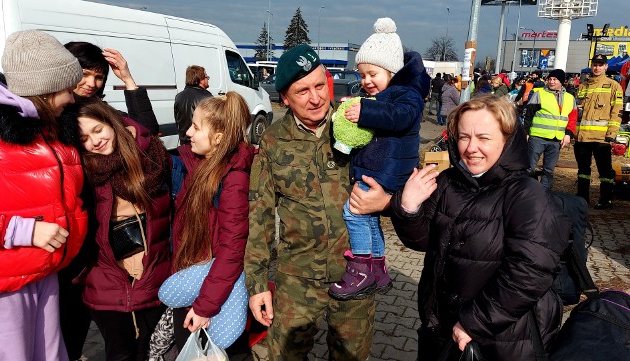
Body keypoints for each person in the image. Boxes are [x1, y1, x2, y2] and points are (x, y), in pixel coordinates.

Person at [390, 95, 570, 361]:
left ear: (507, 140)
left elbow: (530, 271)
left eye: (483, 138)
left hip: (501, 336)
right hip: (444, 326)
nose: (471, 147)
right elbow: (423, 241)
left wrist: (474, 322)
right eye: (464, 137)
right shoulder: (449, 182)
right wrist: (409, 208)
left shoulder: (526, 194)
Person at [244, 44, 390, 360]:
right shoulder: (272, 141)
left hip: (354, 274)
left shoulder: (358, 125)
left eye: (319, 85)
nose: (316, 98)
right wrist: (256, 285)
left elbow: (397, 178)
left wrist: (389, 201)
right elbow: (259, 216)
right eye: (302, 91)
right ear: (284, 97)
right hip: (297, 281)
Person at [0, 30, 88, 361]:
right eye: (67, 90)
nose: (73, 99)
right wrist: (25, 230)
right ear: (44, 91)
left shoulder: (55, 129)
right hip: (2, 288)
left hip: (45, 273)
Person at [327, 17, 429, 300]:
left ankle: (360, 268)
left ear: (392, 70)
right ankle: (378, 268)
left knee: (353, 211)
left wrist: (366, 113)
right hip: (384, 165)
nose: (366, 81)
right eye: (362, 75)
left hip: (390, 169)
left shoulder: (407, 93)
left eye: (372, 74)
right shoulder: (389, 93)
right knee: (369, 217)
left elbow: (401, 117)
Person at [65, 97, 172, 361]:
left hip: (152, 274)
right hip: (106, 280)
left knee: (151, 350)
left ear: (111, 122)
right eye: (84, 138)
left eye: (98, 130)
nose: (94, 141)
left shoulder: (150, 157)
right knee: (119, 352)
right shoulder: (83, 172)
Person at [170, 92, 254, 350]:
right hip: (192, 273)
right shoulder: (196, 163)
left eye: (195, 127)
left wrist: (205, 307)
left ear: (218, 139)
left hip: (209, 287)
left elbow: (232, 250)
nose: (187, 133)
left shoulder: (233, 180)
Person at [64, 42, 160, 135]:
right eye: (84, 74)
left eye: (99, 77)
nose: (92, 84)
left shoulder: (104, 111)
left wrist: (128, 80)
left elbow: (147, 131)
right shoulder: (57, 115)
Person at [575, 54, 624, 209]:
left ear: (606, 67)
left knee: (605, 171)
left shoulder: (613, 86)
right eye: (595, 64)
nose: (597, 67)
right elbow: (577, 111)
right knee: (583, 170)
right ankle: (582, 198)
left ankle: (606, 199)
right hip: (582, 137)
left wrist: (612, 134)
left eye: (600, 65)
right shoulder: (583, 86)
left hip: (602, 138)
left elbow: (617, 112)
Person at [524, 69, 577, 190]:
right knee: (529, 167)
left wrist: (568, 134)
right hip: (537, 137)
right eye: (550, 79)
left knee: (548, 171)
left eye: (555, 79)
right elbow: (529, 115)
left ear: (562, 81)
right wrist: (525, 133)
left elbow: (572, 118)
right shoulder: (540, 94)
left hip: (556, 139)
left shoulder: (570, 98)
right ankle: (528, 191)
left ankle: (544, 194)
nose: (552, 82)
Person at [174, 65, 213, 145]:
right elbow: (212, 123)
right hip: (200, 144)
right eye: (206, 77)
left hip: (184, 142)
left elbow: (177, 121)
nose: (208, 79)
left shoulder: (179, 96)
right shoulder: (206, 96)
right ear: (201, 80)